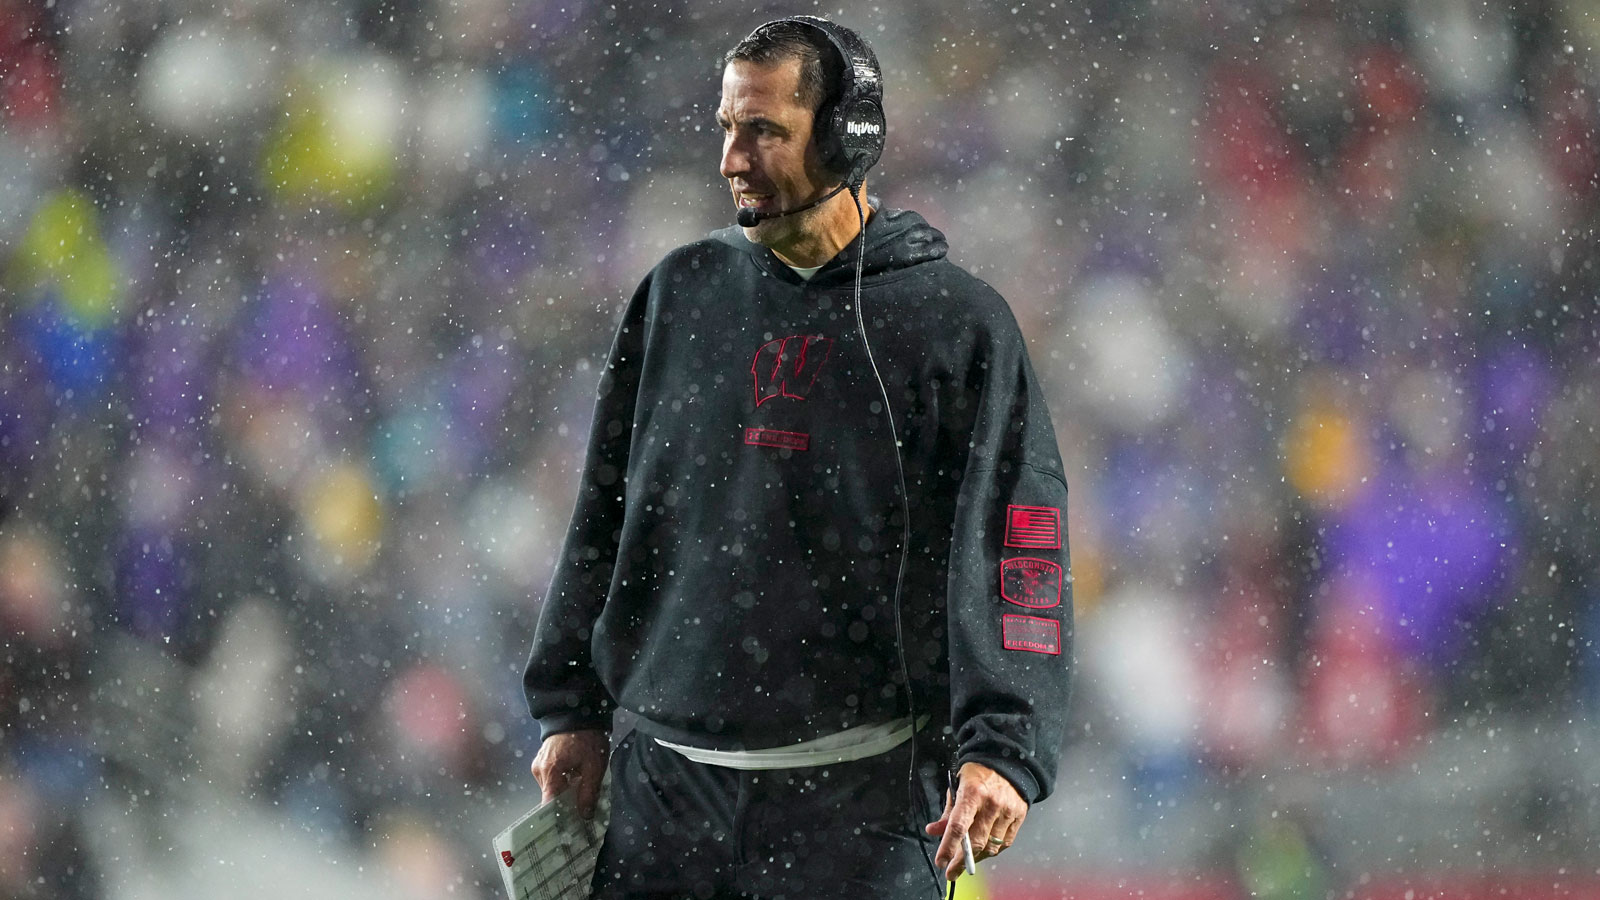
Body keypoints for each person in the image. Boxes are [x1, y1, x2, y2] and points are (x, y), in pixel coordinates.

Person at [523, 15, 1073, 898]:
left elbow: (1021, 542)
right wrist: (570, 707)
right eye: (727, 128)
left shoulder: (955, 325)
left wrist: (1004, 748)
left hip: (861, 808)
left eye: (765, 131)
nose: (732, 159)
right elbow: (605, 509)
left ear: (849, 138)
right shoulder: (679, 292)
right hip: (663, 798)